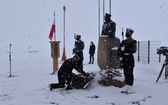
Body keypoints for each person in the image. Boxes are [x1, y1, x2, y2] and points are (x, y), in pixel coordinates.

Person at [118, 28, 137, 94]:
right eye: (127, 32)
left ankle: (130, 87)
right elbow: (119, 50)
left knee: (130, 74)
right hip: (124, 59)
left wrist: (125, 49)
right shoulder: (123, 42)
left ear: (131, 34)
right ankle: (126, 86)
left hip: (129, 59)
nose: (127, 33)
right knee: (125, 74)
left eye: (128, 33)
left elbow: (133, 50)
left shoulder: (133, 41)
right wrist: (120, 57)